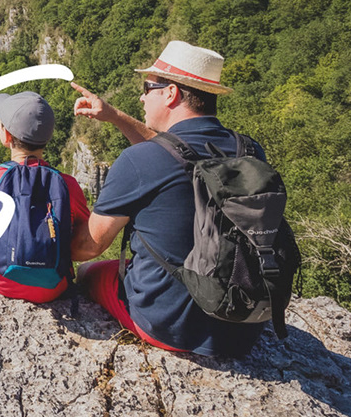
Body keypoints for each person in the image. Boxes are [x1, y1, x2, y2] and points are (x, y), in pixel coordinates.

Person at [67, 40, 268, 357]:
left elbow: (87, 247)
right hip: (244, 324)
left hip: (172, 327)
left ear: (171, 93)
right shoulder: (250, 151)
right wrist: (116, 116)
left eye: (148, 87)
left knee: (88, 273)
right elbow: (179, 153)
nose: (141, 96)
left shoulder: (138, 162)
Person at [0, 92, 90, 304]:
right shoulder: (68, 185)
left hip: (1, 280)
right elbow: (81, 236)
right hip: (52, 287)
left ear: (7, 136)